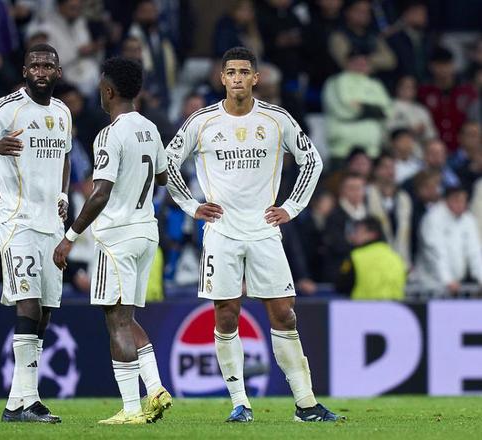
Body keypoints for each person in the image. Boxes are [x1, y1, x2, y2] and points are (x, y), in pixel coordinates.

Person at [164, 47, 341, 422]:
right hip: (222, 231)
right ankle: (240, 403)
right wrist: (191, 206)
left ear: (255, 78)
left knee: (284, 314)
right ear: (222, 78)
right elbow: (167, 162)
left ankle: (306, 404)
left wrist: (291, 207)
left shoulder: (276, 119)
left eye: (244, 72)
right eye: (231, 72)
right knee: (226, 314)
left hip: (264, 230)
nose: (238, 78)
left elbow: (312, 160)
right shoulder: (202, 121)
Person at [53, 56, 172, 425]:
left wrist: (70, 237)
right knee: (126, 317)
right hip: (146, 232)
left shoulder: (109, 134)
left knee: (116, 321)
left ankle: (132, 409)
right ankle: (155, 389)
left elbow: (100, 192)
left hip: (118, 235)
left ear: (108, 91)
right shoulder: (150, 128)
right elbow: (163, 177)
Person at [0, 43, 71, 423]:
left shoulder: (62, 112)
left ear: (58, 72)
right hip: (18, 221)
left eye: (48, 66)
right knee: (28, 304)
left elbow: (65, 157)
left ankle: (15, 403)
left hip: (51, 225)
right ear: (25, 71)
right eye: (35, 66)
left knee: (45, 312)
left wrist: (63, 194)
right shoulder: (6, 108)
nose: (42, 71)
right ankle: (31, 401)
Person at [414, 186, 482, 295]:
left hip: (456, 285)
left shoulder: (468, 220)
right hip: (430, 285)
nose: (461, 204)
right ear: (446, 200)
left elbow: (475, 252)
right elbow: (436, 253)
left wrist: (481, 277)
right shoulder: (433, 218)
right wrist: (447, 280)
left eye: (463, 200)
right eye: (456, 200)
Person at [335, 217, 406, 299]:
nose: (353, 236)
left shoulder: (355, 256)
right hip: (394, 306)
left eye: (358, 232)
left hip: (363, 305)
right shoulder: (395, 257)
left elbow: (341, 285)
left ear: (372, 234)